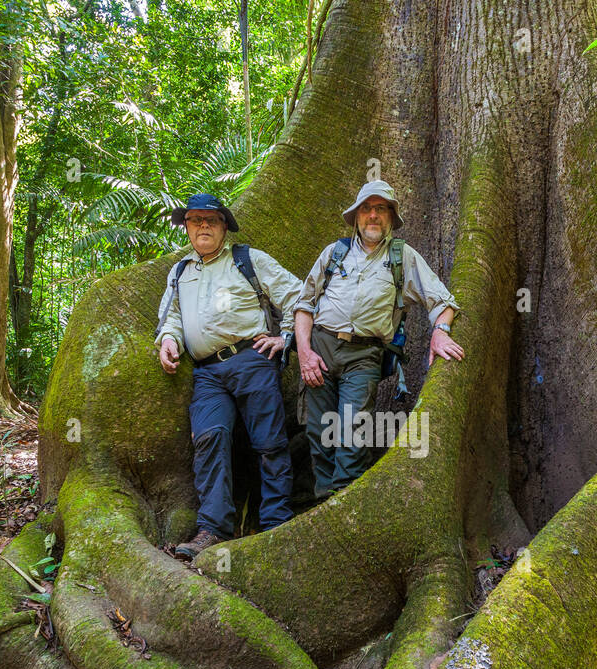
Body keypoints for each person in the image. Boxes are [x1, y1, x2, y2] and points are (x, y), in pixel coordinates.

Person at [292, 180, 464, 497]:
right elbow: (304, 306)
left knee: (353, 429)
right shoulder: (334, 252)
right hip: (321, 348)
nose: (373, 215)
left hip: (364, 355)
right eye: (367, 209)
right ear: (356, 216)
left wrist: (440, 333)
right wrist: (304, 352)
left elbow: (443, 301)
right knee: (318, 431)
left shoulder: (402, 257)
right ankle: (323, 501)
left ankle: (346, 498)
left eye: (380, 209)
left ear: (390, 217)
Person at [155, 193, 302, 559]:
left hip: (251, 358)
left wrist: (285, 337)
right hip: (206, 372)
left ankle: (275, 525)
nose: (203, 226)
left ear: (224, 226)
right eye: (195, 220)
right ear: (186, 227)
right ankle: (214, 529)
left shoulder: (246, 260)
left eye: (211, 220)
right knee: (209, 438)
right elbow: (171, 317)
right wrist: (169, 341)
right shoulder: (180, 271)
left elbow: (298, 294)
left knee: (269, 443)